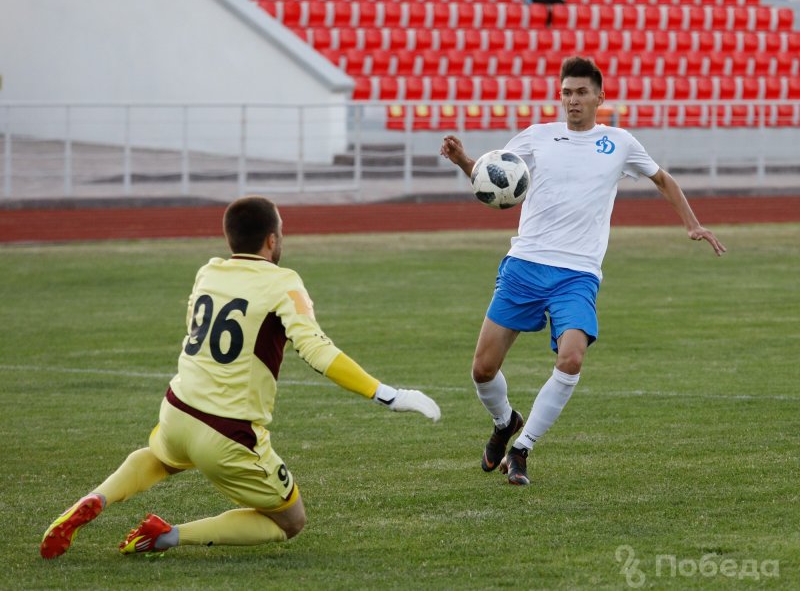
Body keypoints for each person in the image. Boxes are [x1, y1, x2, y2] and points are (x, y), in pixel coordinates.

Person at [40, 196, 441, 559]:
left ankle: (96, 497)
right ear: (271, 240)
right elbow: (318, 351)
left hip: (177, 409)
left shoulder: (208, 272)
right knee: (290, 522)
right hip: (229, 433)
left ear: (229, 238)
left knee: (161, 459)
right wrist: (388, 395)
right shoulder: (284, 281)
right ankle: (163, 536)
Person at [440, 56, 725, 486]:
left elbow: (663, 179)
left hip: (577, 272)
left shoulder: (620, 142)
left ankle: (522, 447)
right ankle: (504, 422)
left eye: (581, 93)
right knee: (482, 369)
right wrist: (465, 161)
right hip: (525, 263)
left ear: (599, 97)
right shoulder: (538, 136)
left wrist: (692, 223)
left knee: (571, 358)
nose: (572, 101)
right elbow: (495, 178)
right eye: (566, 93)